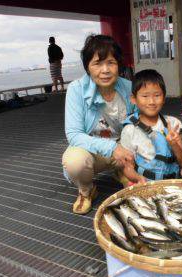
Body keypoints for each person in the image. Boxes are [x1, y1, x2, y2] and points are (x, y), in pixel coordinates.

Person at [62, 34, 135, 215]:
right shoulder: (76, 89)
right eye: (97, 63)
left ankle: (121, 170)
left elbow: (137, 122)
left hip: (123, 148)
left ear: (119, 64)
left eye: (111, 62)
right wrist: (112, 148)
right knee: (74, 162)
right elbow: (74, 135)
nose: (105, 70)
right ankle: (87, 191)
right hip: (93, 151)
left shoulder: (127, 87)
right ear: (88, 67)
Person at [119, 69, 182, 184]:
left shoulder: (173, 124)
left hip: (172, 183)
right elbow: (127, 167)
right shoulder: (129, 130)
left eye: (157, 95)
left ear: (163, 98)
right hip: (145, 184)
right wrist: (137, 179)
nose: (151, 101)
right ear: (133, 99)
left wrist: (174, 144)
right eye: (145, 96)